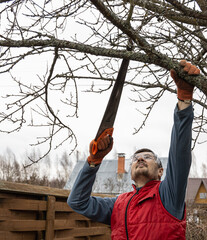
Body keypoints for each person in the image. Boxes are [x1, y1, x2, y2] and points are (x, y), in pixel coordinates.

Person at [67, 60, 200, 240]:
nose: (140, 159)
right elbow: (77, 202)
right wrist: (93, 162)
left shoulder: (169, 195)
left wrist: (184, 100)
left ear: (161, 171)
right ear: (130, 171)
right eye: (136, 158)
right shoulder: (119, 204)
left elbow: (179, 153)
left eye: (148, 157)